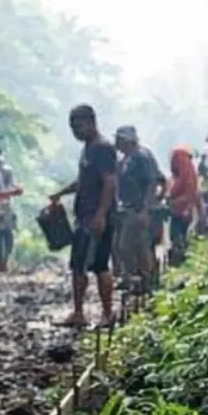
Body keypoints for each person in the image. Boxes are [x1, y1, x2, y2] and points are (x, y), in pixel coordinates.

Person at [49, 104, 117, 329]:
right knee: (78, 265)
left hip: (96, 217)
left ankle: (107, 313)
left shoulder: (103, 148)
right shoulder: (88, 148)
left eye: (78, 126)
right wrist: (61, 193)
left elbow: (109, 182)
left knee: (99, 265)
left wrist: (101, 215)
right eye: (72, 128)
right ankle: (78, 312)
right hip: (84, 216)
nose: (76, 132)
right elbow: (83, 181)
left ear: (91, 122)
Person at [113, 126, 161, 292]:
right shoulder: (125, 160)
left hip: (139, 208)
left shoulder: (141, 156)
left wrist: (145, 209)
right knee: (132, 246)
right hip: (127, 209)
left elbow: (152, 183)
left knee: (132, 245)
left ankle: (147, 279)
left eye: (119, 141)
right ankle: (138, 278)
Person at [167, 147, 200, 260]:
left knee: (179, 235)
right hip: (177, 211)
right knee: (176, 236)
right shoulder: (181, 176)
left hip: (183, 211)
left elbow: (191, 194)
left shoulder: (187, 175)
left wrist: (186, 208)